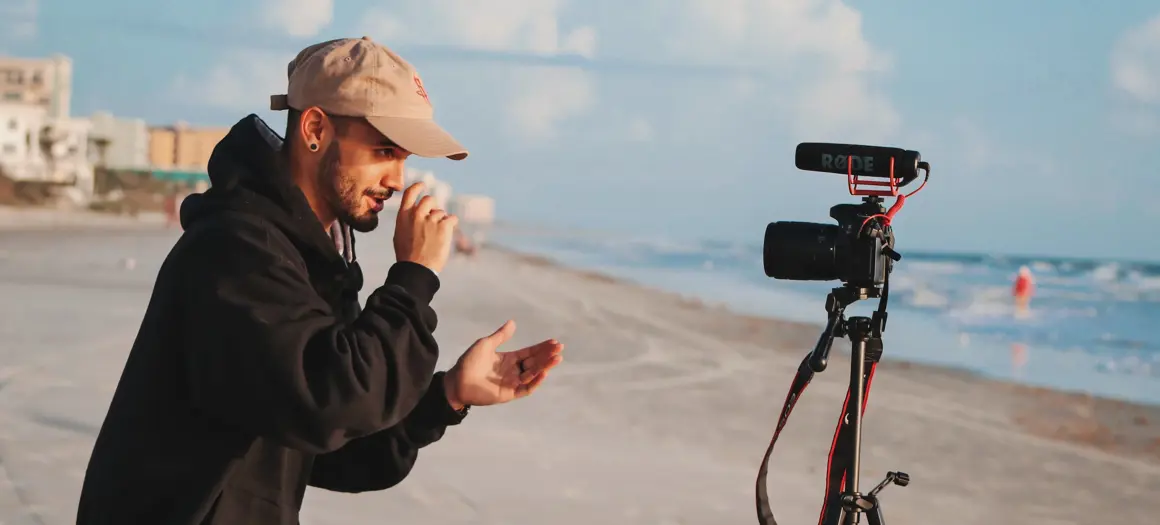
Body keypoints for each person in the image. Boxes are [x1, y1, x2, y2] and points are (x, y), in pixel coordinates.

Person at [76, 37, 564, 525]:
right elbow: (330, 406)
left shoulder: (314, 260)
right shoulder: (236, 251)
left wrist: (448, 396)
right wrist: (414, 278)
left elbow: (335, 448)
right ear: (314, 128)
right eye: (383, 150)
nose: (398, 179)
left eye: (404, 157)